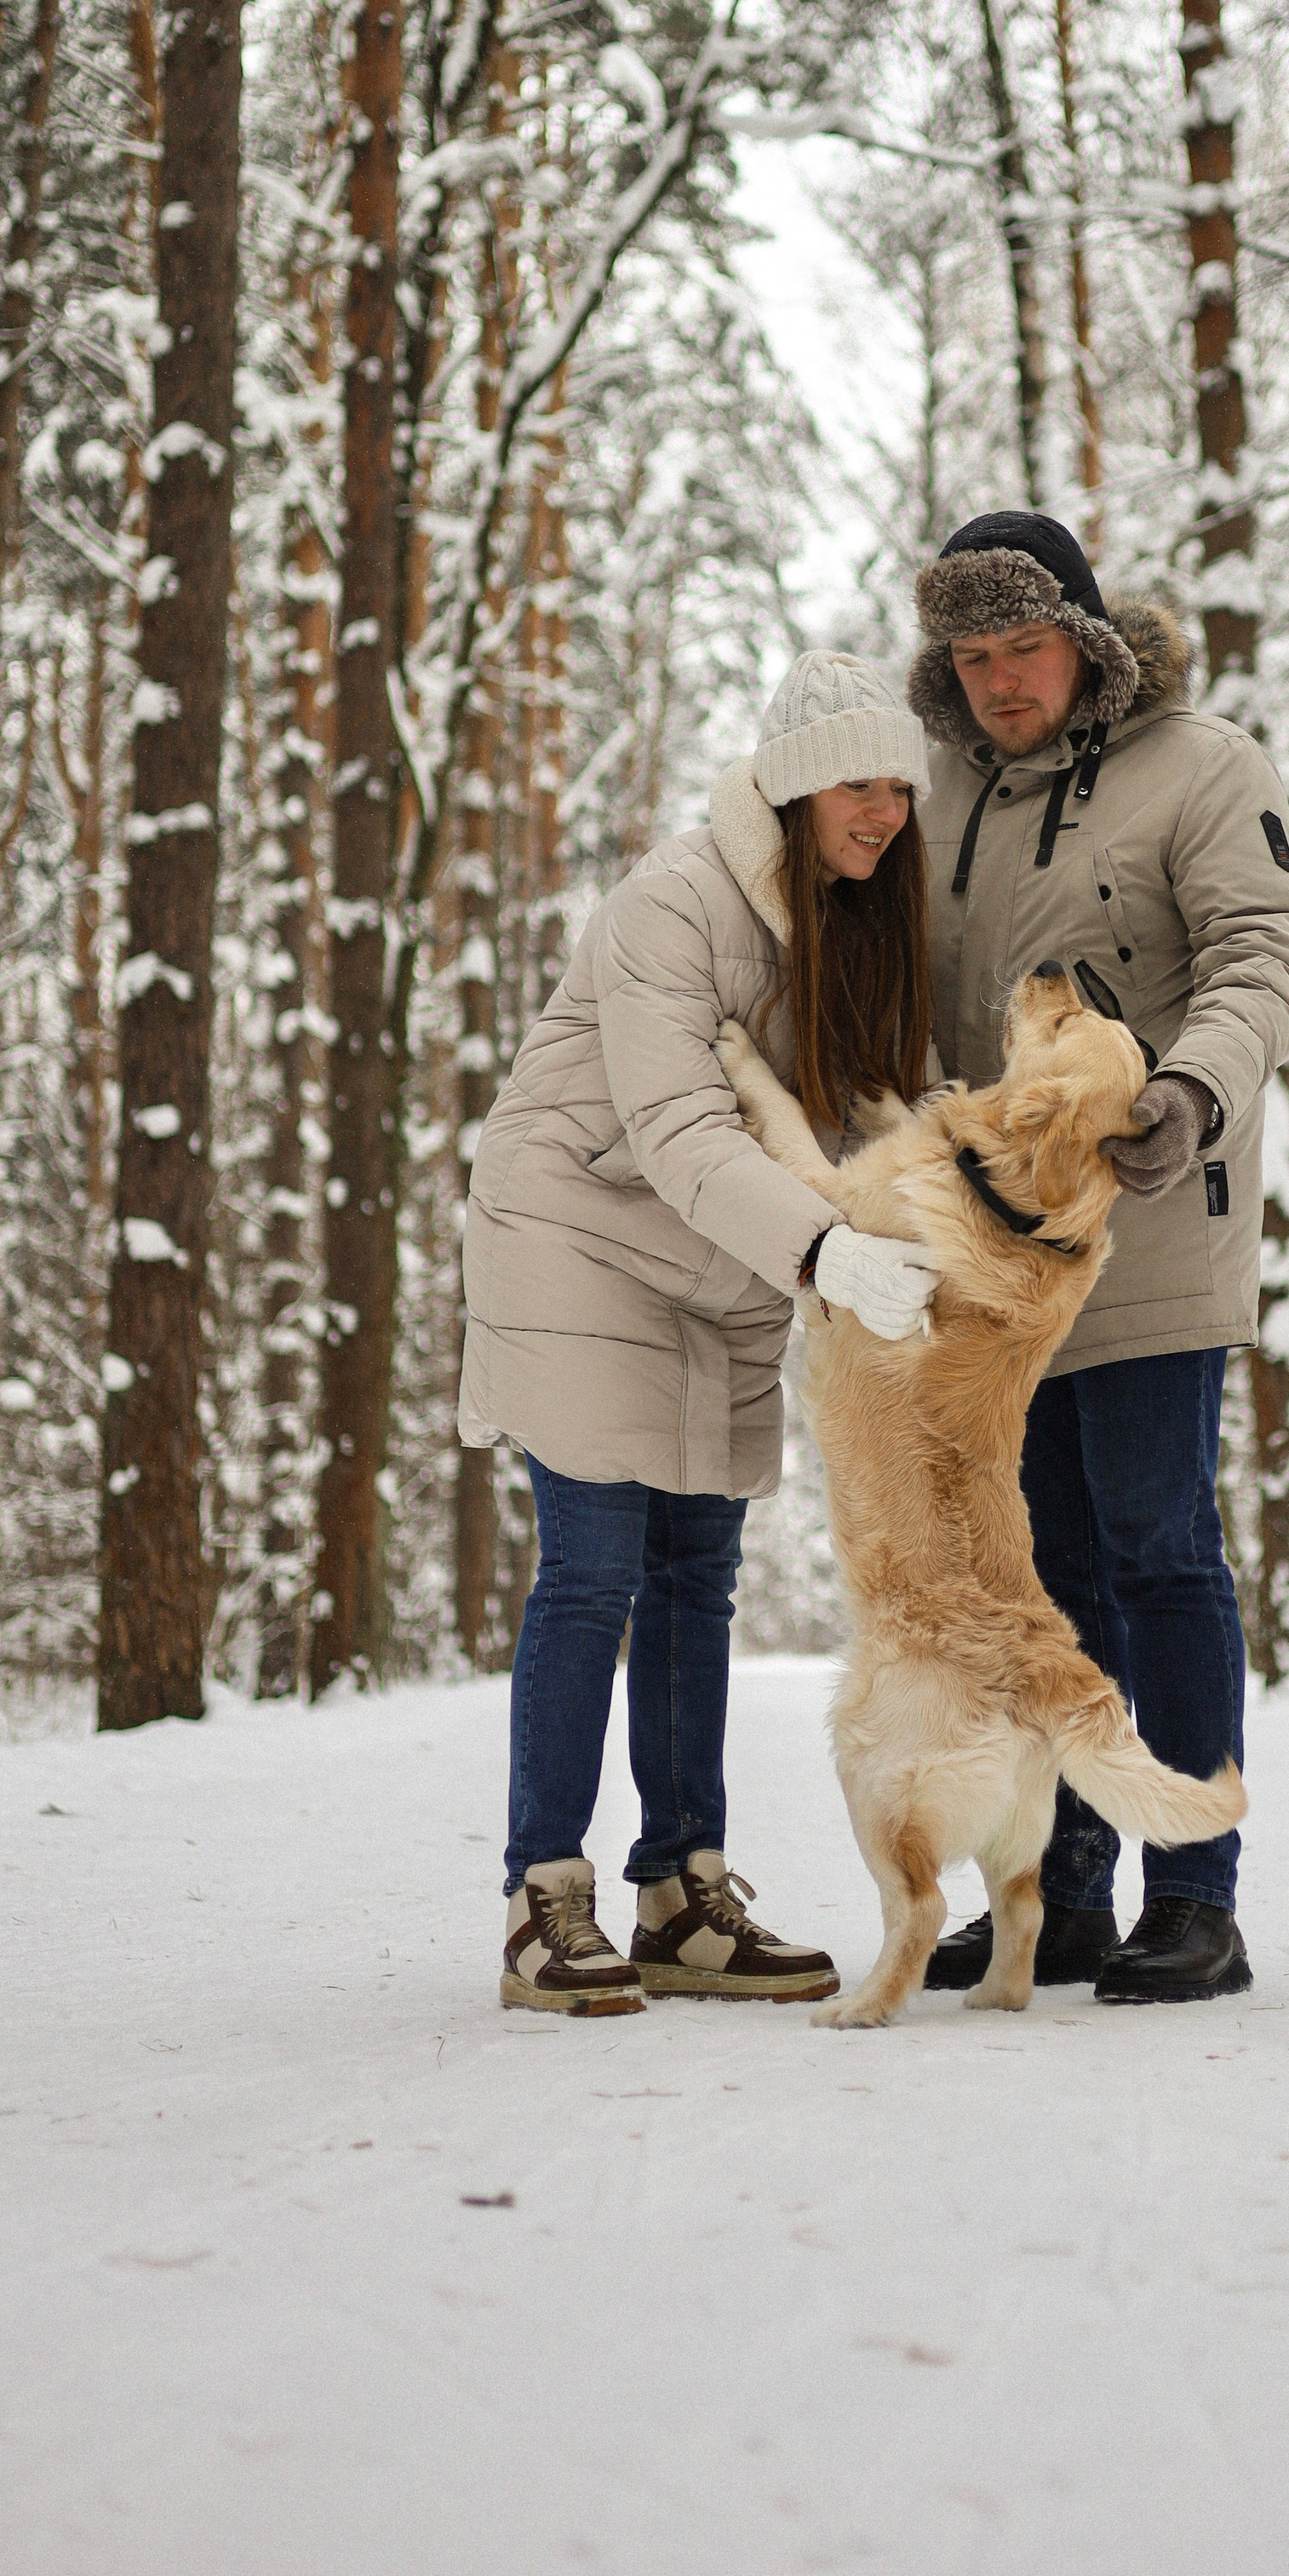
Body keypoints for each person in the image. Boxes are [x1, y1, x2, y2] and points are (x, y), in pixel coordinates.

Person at [460, 654, 942, 2017]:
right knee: (598, 1565)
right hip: (581, 1236)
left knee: (697, 1573)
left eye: (903, 784)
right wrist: (827, 1252)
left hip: (726, 1266)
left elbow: (883, 1110)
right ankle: (544, 1900)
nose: (888, 809)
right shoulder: (668, 906)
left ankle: (683, 1895)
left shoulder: (860, 921)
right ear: (795, 781)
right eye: (862, 779)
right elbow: (677, 1131)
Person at [907, 513, 1289, 2005]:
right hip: (995, 1264)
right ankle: (1056, 1893)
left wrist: (1191, 1087)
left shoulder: (1200, 768)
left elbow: (1268, 953)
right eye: (972, 655)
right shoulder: (936, 788)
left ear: (1083, 643)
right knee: (1033, 1574)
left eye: (1024, 647)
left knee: (1154, 1551)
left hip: (1150, 1219)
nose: (1001, 681)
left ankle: (1193, 1892)